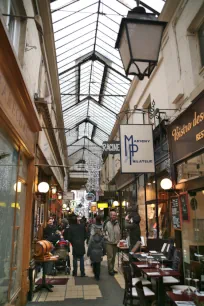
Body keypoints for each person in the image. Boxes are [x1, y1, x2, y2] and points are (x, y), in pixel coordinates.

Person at [87, 216, 106, 280]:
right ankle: (97, 276)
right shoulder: (102, 237)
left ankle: (95, 273)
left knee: (94, 262)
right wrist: (104, 252)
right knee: (98, 264)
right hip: (99, 251)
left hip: (93, 251)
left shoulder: (92, 237)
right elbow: (104, 245)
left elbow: (89, 245)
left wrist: (88, 252)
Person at [104, 211, 120, 276]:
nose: (114, 216)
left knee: (114, 257)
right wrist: (107, 238)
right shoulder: (107, 223)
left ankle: (112, 269)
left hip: (115, 243)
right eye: (113, 215)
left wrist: (118, 239)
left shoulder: (117, 223)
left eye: (115, 215)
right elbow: (104, 232)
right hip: (109, 243)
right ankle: (110, 270)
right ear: (110, 216)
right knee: (110, 257)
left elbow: (119, 231)